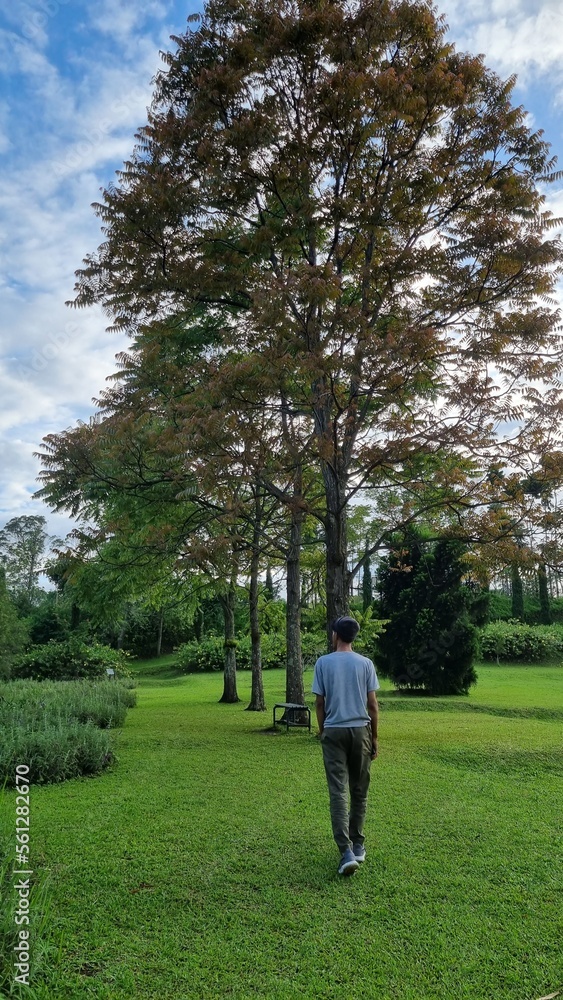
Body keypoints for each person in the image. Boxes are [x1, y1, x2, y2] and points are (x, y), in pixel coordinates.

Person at [312, 616, 379, 876]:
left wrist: (323, 730)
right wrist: (373, 738)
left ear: (336, 635)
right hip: (361, 730)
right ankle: (358, 843)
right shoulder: (365, 664)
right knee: (359, 789)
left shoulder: (323, 663)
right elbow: (372, 705)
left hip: (334, 731)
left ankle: (346, 851)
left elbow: (319, 703)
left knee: (338, 791)